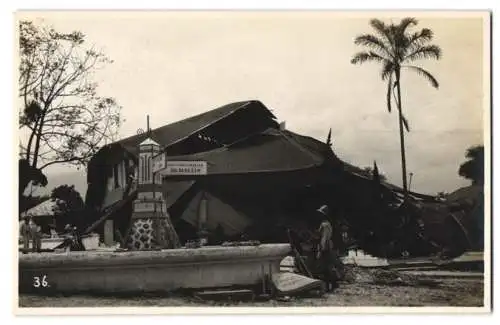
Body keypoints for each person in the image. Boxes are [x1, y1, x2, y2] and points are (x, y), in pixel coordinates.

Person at [315, 205, 340, 292]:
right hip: (328, 246)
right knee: (327, 267)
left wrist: (321, 249)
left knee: (325, 267)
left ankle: (331, 284)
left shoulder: (325, 225)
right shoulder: (327, 224)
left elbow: (324, 238)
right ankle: (331, 285)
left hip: (325, 247)